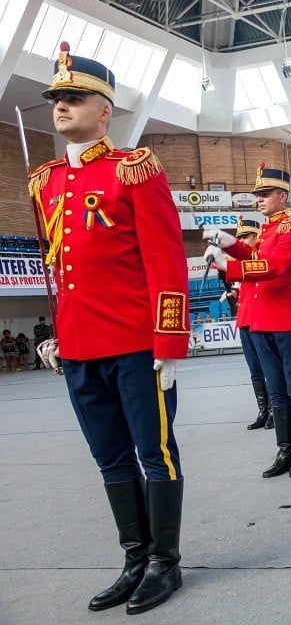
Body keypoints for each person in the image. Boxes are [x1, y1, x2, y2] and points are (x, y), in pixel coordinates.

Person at [32, 43, 189, 614]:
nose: (61, 106)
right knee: (110, 459)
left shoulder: (134, 171)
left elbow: (167, 261)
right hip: (78, 347)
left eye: (75, 97)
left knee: (156, 453)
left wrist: (169, 341)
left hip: (134, 344)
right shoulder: (45, 182)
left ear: (105, 110)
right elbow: (59, 268)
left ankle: (165, 563)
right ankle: (134, 557)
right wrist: (57, 334)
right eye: (57, 99)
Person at [206, 164, 291, 478]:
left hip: (285, 317)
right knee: (277, 390)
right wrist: (225, 242)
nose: (259, 199)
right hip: (263, 320)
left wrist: (230, 265)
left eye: (265, 194)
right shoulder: (266, 231)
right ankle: (283, 451)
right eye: (258, 195)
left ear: (283, 195)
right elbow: (252, 258)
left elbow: (274, 267)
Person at [232, 219, 275, 431]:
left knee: (268, 367)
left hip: (260, 318)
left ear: (256, 236)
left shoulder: (260, 256)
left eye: (245, 236)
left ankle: (276, 408)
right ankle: (263, 410)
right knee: (254, 369)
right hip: (245, 318)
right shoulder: (241, 259)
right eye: (239, 237)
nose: (241, 240)